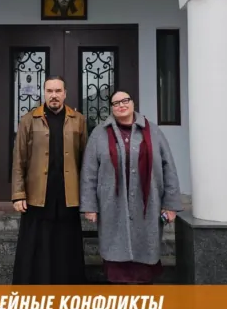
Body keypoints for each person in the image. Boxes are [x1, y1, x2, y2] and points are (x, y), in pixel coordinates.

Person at [79, 90, 183, 285]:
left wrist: (170, 204)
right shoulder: (99, 134)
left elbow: (168, 167)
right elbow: (89, 172)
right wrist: (90, 206)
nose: (121, 105)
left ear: (133, 103)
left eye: (125, 100)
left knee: (145, 256)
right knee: (116, 260)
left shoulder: (153, 131)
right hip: (111, 204)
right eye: (116, 103)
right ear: (111, 108)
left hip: (148, 204)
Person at [11, 75, 88, 285]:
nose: (54, 95)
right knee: (36, 245)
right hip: (37, 194)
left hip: (67, 194)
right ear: (44, 93)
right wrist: (18, 194)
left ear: (65, 94)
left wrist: (87, 197)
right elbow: (19, 159)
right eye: (50, 91)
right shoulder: (29, 119)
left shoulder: (78, 120)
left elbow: (86, 160)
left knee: (67, 246)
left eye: (58, 91)